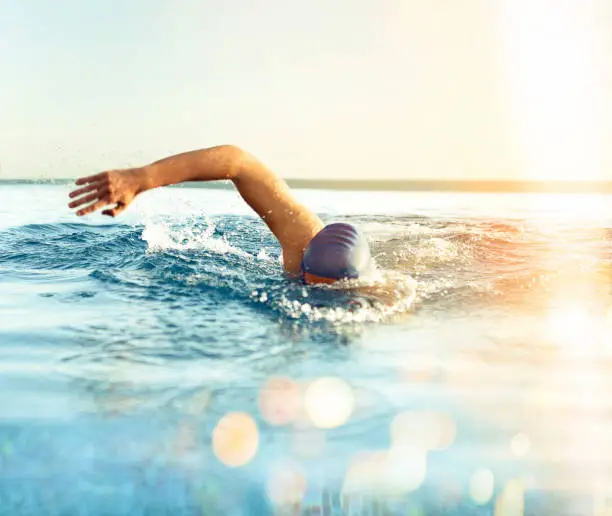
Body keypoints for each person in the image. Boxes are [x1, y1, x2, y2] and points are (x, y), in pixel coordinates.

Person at [68, 145, 372, 285]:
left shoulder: (386, 303)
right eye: (308, 279)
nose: (313, 291)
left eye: (324, 285)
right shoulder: (304, 241)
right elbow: (237, 162)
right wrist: (143, 178)